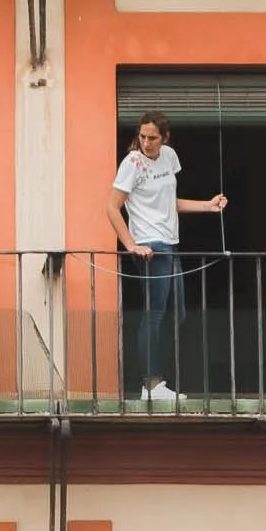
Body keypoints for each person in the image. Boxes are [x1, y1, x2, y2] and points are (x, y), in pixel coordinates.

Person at [108, 110, 227, 403]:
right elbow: (112, 207)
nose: (146, 143)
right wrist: (132, 245)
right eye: (142, 137)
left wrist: (207, 207)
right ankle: (151, 384)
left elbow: (167, 202)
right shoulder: (132, 163)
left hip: (170, 244)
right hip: (150, 246)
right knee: (155, 315)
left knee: (177, 314)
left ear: (165, 138)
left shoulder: (169, 157)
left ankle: (157, 382)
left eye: (152, 138)